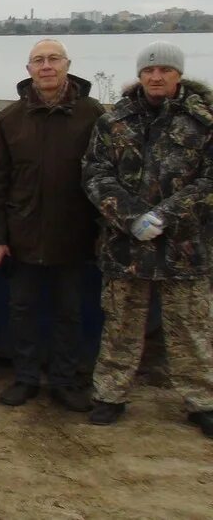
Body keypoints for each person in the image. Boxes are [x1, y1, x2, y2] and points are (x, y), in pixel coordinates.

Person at [82, 41, 213, 436]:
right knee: (121, 323)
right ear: (139, 76)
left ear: (179, 75)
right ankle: (110, 395)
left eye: (165, 71)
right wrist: (132, 216)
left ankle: (202, 401)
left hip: (183, 248)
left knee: (191, 327)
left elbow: (209, 180)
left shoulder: (203, 121)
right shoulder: (114, 121)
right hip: (126, 246)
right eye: (149, 71)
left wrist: (165, 215)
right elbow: (94, 173)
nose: (156, 77)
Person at [0, 39, 105, 412]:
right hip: (22, 235)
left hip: (74, 235)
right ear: (29, 69)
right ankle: (26, 378)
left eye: (54, 59)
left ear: (67, 65)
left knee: (70, 311)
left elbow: (107, 175)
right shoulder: (10, 119)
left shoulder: (92, 114)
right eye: (39, 60)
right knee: (23, 311)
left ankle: (66, 382)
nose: (46, 66)